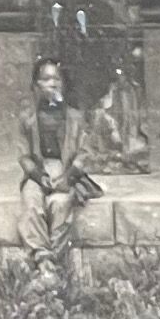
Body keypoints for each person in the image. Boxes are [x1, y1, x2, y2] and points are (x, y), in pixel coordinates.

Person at [18, 55, 100, 279]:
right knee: (32, 202)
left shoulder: (75, 117)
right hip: (39, 170)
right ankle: (43, 259)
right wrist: (36, 175)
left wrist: (68, 176)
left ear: (64, 84)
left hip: (66, 170)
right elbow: (24, 155)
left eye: (57, 79)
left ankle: (55, 260)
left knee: (60, 203)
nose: (52, 84)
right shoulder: (28, 119)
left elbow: (84, 153)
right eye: (45, 79)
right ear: (35, 86)